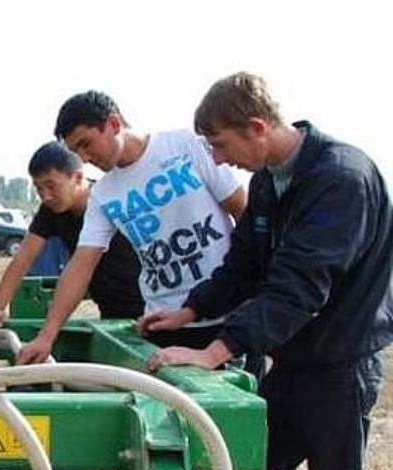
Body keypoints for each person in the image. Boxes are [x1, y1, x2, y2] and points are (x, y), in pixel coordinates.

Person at [144, 72, 393, 470]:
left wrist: (217, 351)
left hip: (342, 365)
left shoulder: (340, 179)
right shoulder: (268, 183)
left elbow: (298, 287)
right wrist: (189, 312)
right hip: (295, 361)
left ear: (256, 127)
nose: (217, 158)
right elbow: (244, 267)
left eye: (220, 144)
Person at [16, 91, 247, 364]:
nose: (85, 157)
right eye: (76, 151)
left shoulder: (184, 146)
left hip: (228, 315)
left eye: (86, 144)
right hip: (165, 323)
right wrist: (46, 336)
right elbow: (81, 265)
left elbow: (242, 211)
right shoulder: (103, 194)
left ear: (113, 125)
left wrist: (253, 292)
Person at [0, 142, 143, 330]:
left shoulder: (113, 201)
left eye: (51, 186)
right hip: (111, 311)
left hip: (151, 307)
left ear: (78, 177)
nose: (45, 196)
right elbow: (23, 257)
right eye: (38, 189)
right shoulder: (51, 211)